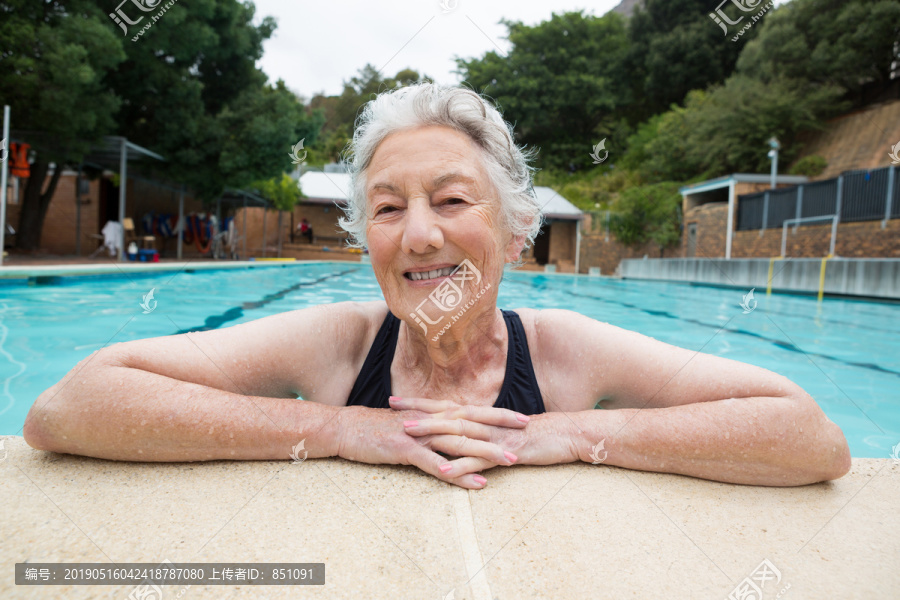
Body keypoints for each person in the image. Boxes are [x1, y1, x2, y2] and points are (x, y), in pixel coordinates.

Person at [23, 84, 851, 490]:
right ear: (368, 242)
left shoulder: (565, 353)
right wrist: (337, 429)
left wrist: (573, 436)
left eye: (453, 201)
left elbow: (810, 439)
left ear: (516, 229)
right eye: (388, 209)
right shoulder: (338, 347)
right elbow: (66, 409)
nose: (419, 234)